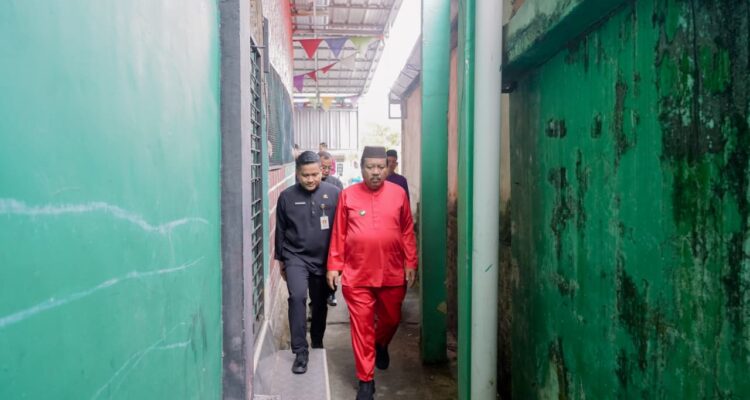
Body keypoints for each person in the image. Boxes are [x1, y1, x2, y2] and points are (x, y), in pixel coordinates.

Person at [326, 146, 418, 400]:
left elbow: (407, 230)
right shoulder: (348, 195)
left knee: (392, 319)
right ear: (362, 167)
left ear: (387, 168)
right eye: (370, 167)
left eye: (380, 167)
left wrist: (411, 262)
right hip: (357, 274)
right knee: (361, 328)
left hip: (392, 271)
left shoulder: (398, 194)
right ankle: (365, 380)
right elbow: (339, 232)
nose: (376, 172)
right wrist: (334, 265)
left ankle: (381, 343)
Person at [275, 151, 340, 374]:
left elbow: (341, 229)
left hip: (323, 259)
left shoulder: (334, 194)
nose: (310, 179)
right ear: (297, 173)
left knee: (320, 304)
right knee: (297, 297)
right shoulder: (286, 197)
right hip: (296, 257)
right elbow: (281, 230)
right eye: (305, 175)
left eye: (315, 174)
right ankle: (300, 352)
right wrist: (282, 260)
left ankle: (317, 340)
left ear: (321, 171)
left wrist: (337, 263)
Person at [317, 151, 343, 307]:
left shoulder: (336, 184)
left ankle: (332, 293)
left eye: (328, 167)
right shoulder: (309, 181)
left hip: (332, 230)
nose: (326, 170)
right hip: (315, 232)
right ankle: (315, 301)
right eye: (323, 167)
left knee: (332, 264)